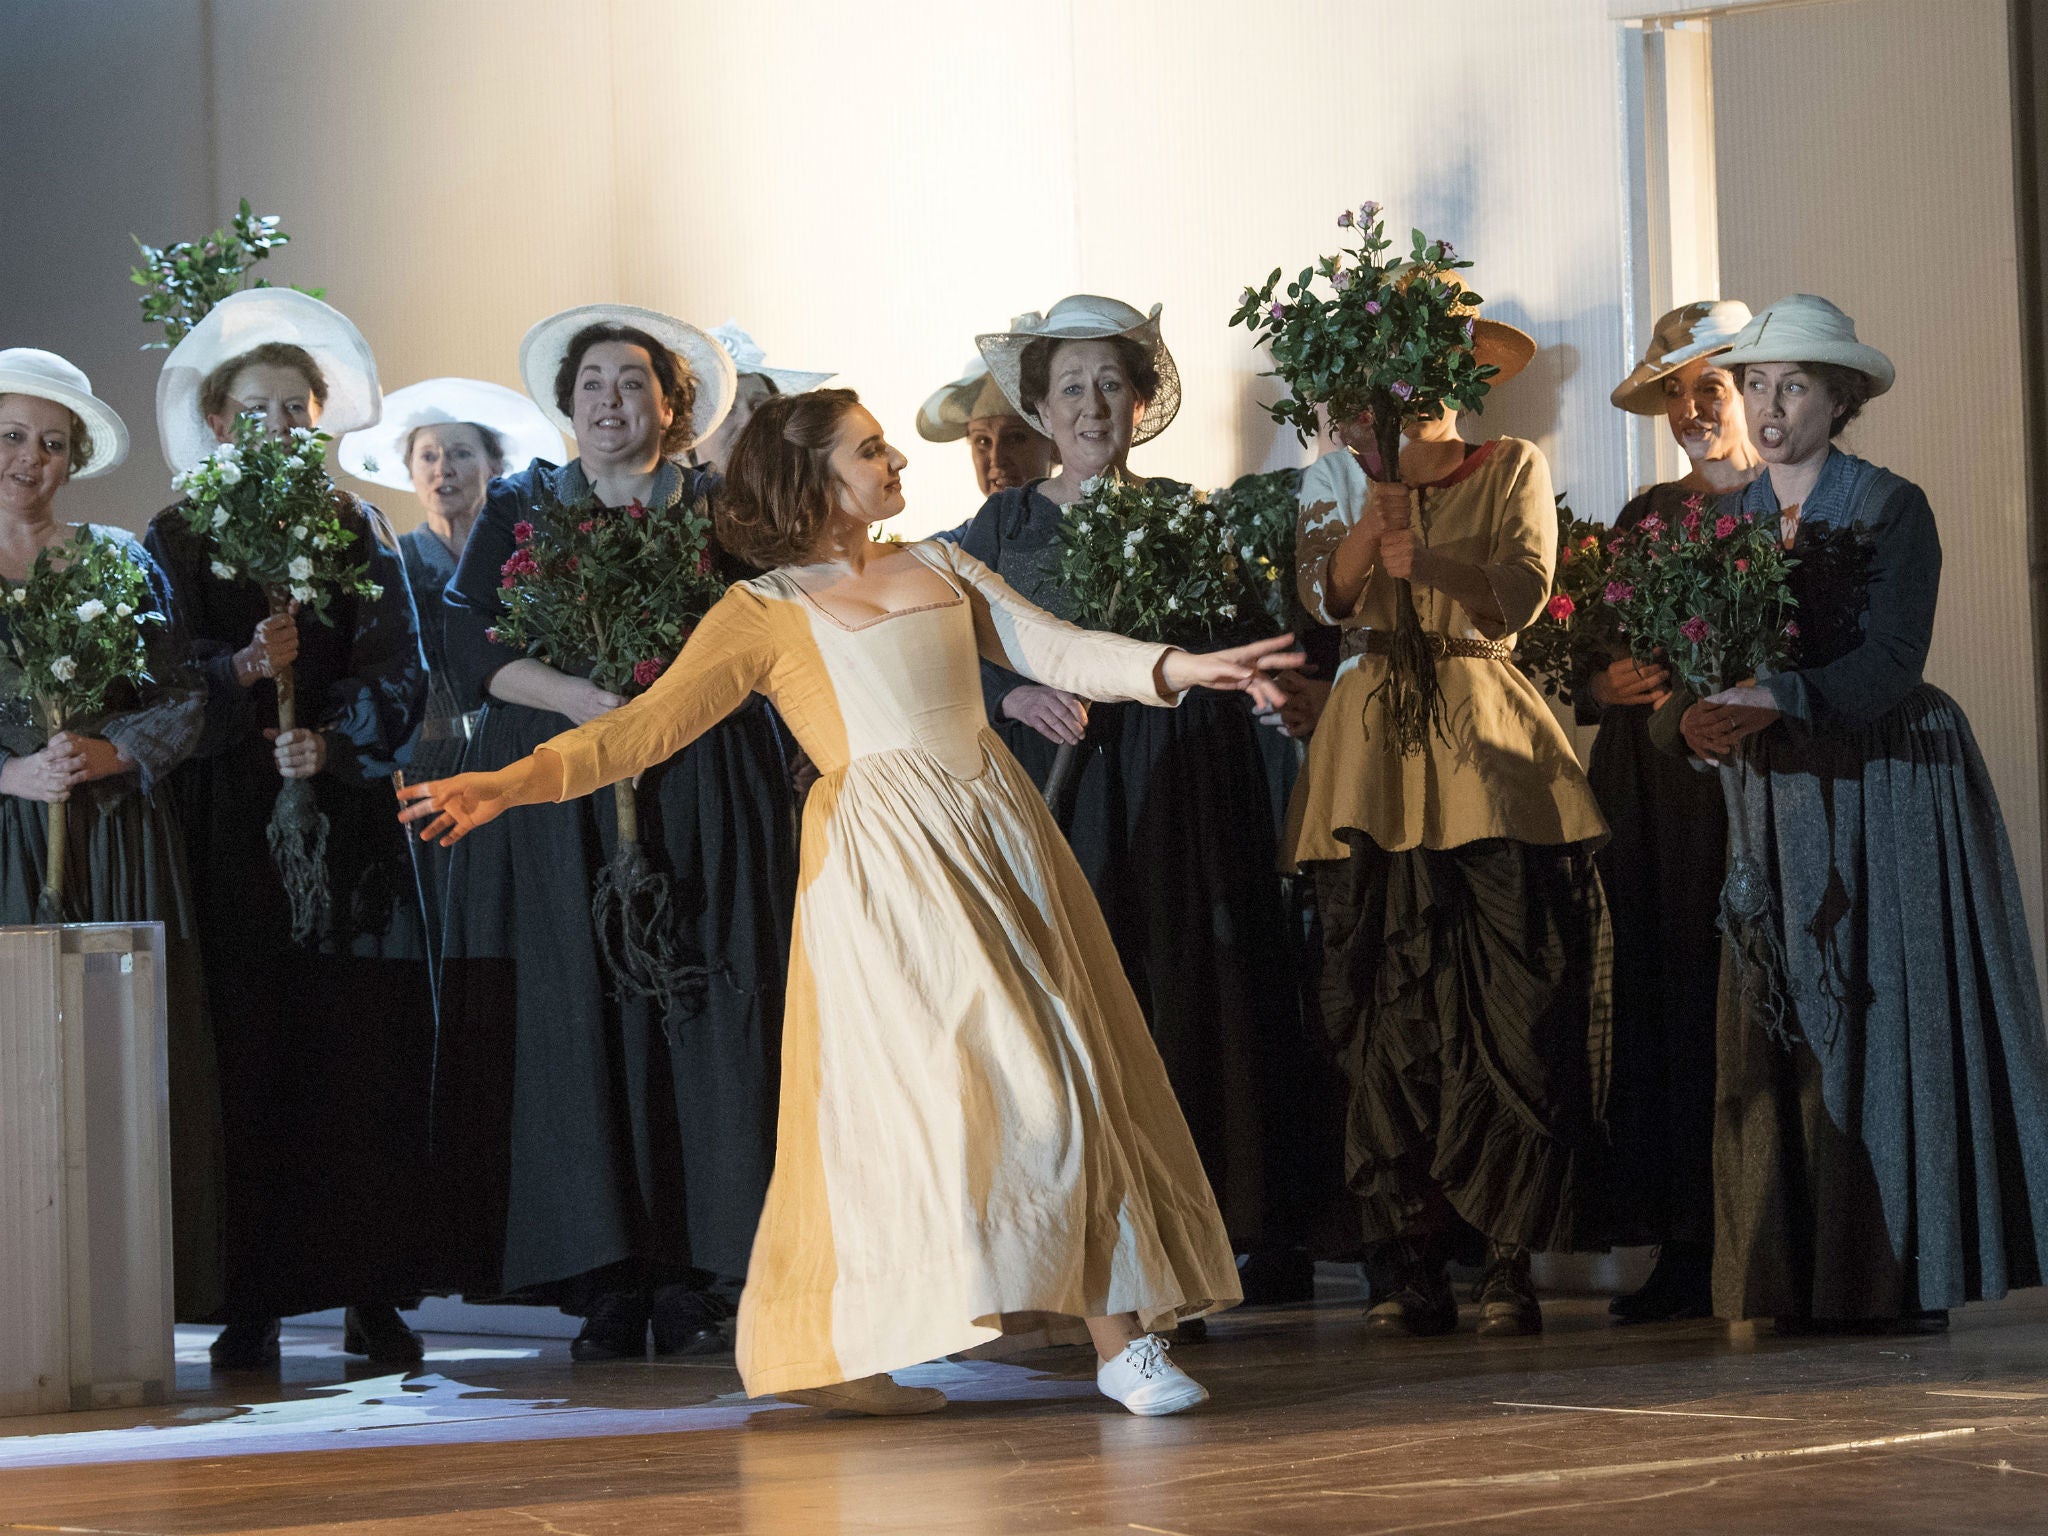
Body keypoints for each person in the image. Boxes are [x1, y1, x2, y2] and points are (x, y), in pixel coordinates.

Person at [401, 387, 1286, 1415]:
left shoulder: (943, 566)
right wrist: (511, 783)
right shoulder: (761, 611)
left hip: (997, 839)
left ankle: (1045, 1337)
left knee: (1056, 1069)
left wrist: (1179, 667)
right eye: (870, 449)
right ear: (812, 476)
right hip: (885, 869)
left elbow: (1055, 650)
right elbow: (640, 731)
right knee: (969, 1095)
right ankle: (1079, 1345)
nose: (895, 460)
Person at [434, 304, 797, 1361]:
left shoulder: (717, 508)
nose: (610, 401)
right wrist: (575, 698)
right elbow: (464, 642)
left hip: (697, 782)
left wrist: (656, 706)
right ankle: (605, 1272)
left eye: (632, 383)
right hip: (563, 790)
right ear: (567, 403)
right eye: (592, 383)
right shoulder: (522, 506)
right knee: (578, 1015)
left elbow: (769, 633)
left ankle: (700, 1264)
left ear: (671, 406)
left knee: (699, 1001)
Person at [1680, 294, 2048, 1331]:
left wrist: (1781, 698)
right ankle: (1785, 1277)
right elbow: (1696, 664)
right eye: (1753, 383)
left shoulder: (1889, 506)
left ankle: (1888, 1274)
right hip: (1772, 790)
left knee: (1877, 1007)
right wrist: (1691, 723)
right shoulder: (1722, 522)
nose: (1768, 404)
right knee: (1778, 1015)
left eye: (1792, 384)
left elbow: (1891, 661)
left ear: (1838, 399)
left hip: (1880, 779)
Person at [962, 296, 1328, 1302]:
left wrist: (1277, 696)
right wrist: (1011, 688)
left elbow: (1259, 650)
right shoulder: (998, 525)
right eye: (1070, 387)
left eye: (1109, 384)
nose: (1091, 407)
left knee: (1188, 999)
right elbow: (931, 634)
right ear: (1037, 408)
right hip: (1056, 796)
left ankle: (1198, 1241)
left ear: (1139, 401)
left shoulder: (1187, 517)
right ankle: (1087, 1253)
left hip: (1182, 791)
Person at [1290, 298, 1613, 1338]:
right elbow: (1321, 599)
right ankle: (1402, 1263)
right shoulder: (1331, 481)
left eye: (1423, 363)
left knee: (1511, 997)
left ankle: (1507, 1260)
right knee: (1375, 999)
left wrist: (1422, 561)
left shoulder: (1507, 463)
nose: (1403, 383)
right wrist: (1373, 515)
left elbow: (1516, 597)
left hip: (1484, 742)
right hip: (1369, 752)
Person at [144, 289, 434, 1370]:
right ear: (220, 423)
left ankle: (371, 1291)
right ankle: (250, 1293)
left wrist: (335, 738)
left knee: (358, 1050)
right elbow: (157, 683)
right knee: (246, 1049)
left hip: (345, 821)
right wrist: (241, 681)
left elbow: (396, 667)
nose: (274, 429)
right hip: (228, 826)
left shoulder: (352, 525)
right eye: (254, 411)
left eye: (293, 413)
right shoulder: (173, 536)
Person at [0, 349, 224, 1324]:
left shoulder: (117, 560)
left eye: (53, 444)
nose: (28, 459)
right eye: (11, 435)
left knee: (116, 1066)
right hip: (7, 831)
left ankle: (115, 1297)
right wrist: (7, 775)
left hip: (115, 834)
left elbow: (184, 700)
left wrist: (109, 752)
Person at [1587, 301, 1761, 1322]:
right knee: (1665, 999)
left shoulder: (1788, 505)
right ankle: (1684, 1244)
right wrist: (1606, 685)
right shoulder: (1642, 517)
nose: (1692, 409)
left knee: (1748, 994)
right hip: (1650, 798)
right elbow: (1590, 665)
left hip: (1751, 787)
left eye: (1710, 386)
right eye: (1675, 394)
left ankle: (1765, 1234)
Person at [338, 379, 565, 962]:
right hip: (428, 761)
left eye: (462, 453)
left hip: (511, 756)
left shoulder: (523, 563)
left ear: (495, 465)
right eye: (429, 456)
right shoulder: (395, 561)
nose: (445, 470)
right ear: (410, 470)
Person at [691, 321, 834, 474]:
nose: (749, 420)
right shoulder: (668, 497)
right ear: (688, 428)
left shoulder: (809, 494)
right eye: (727, 408)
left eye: (759, 406)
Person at [916, 355, 1056, 505]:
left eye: (1015, 438)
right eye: (982, 441)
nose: (997, 459)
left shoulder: (1079, 524)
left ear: (1056, 446)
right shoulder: (970, 529)